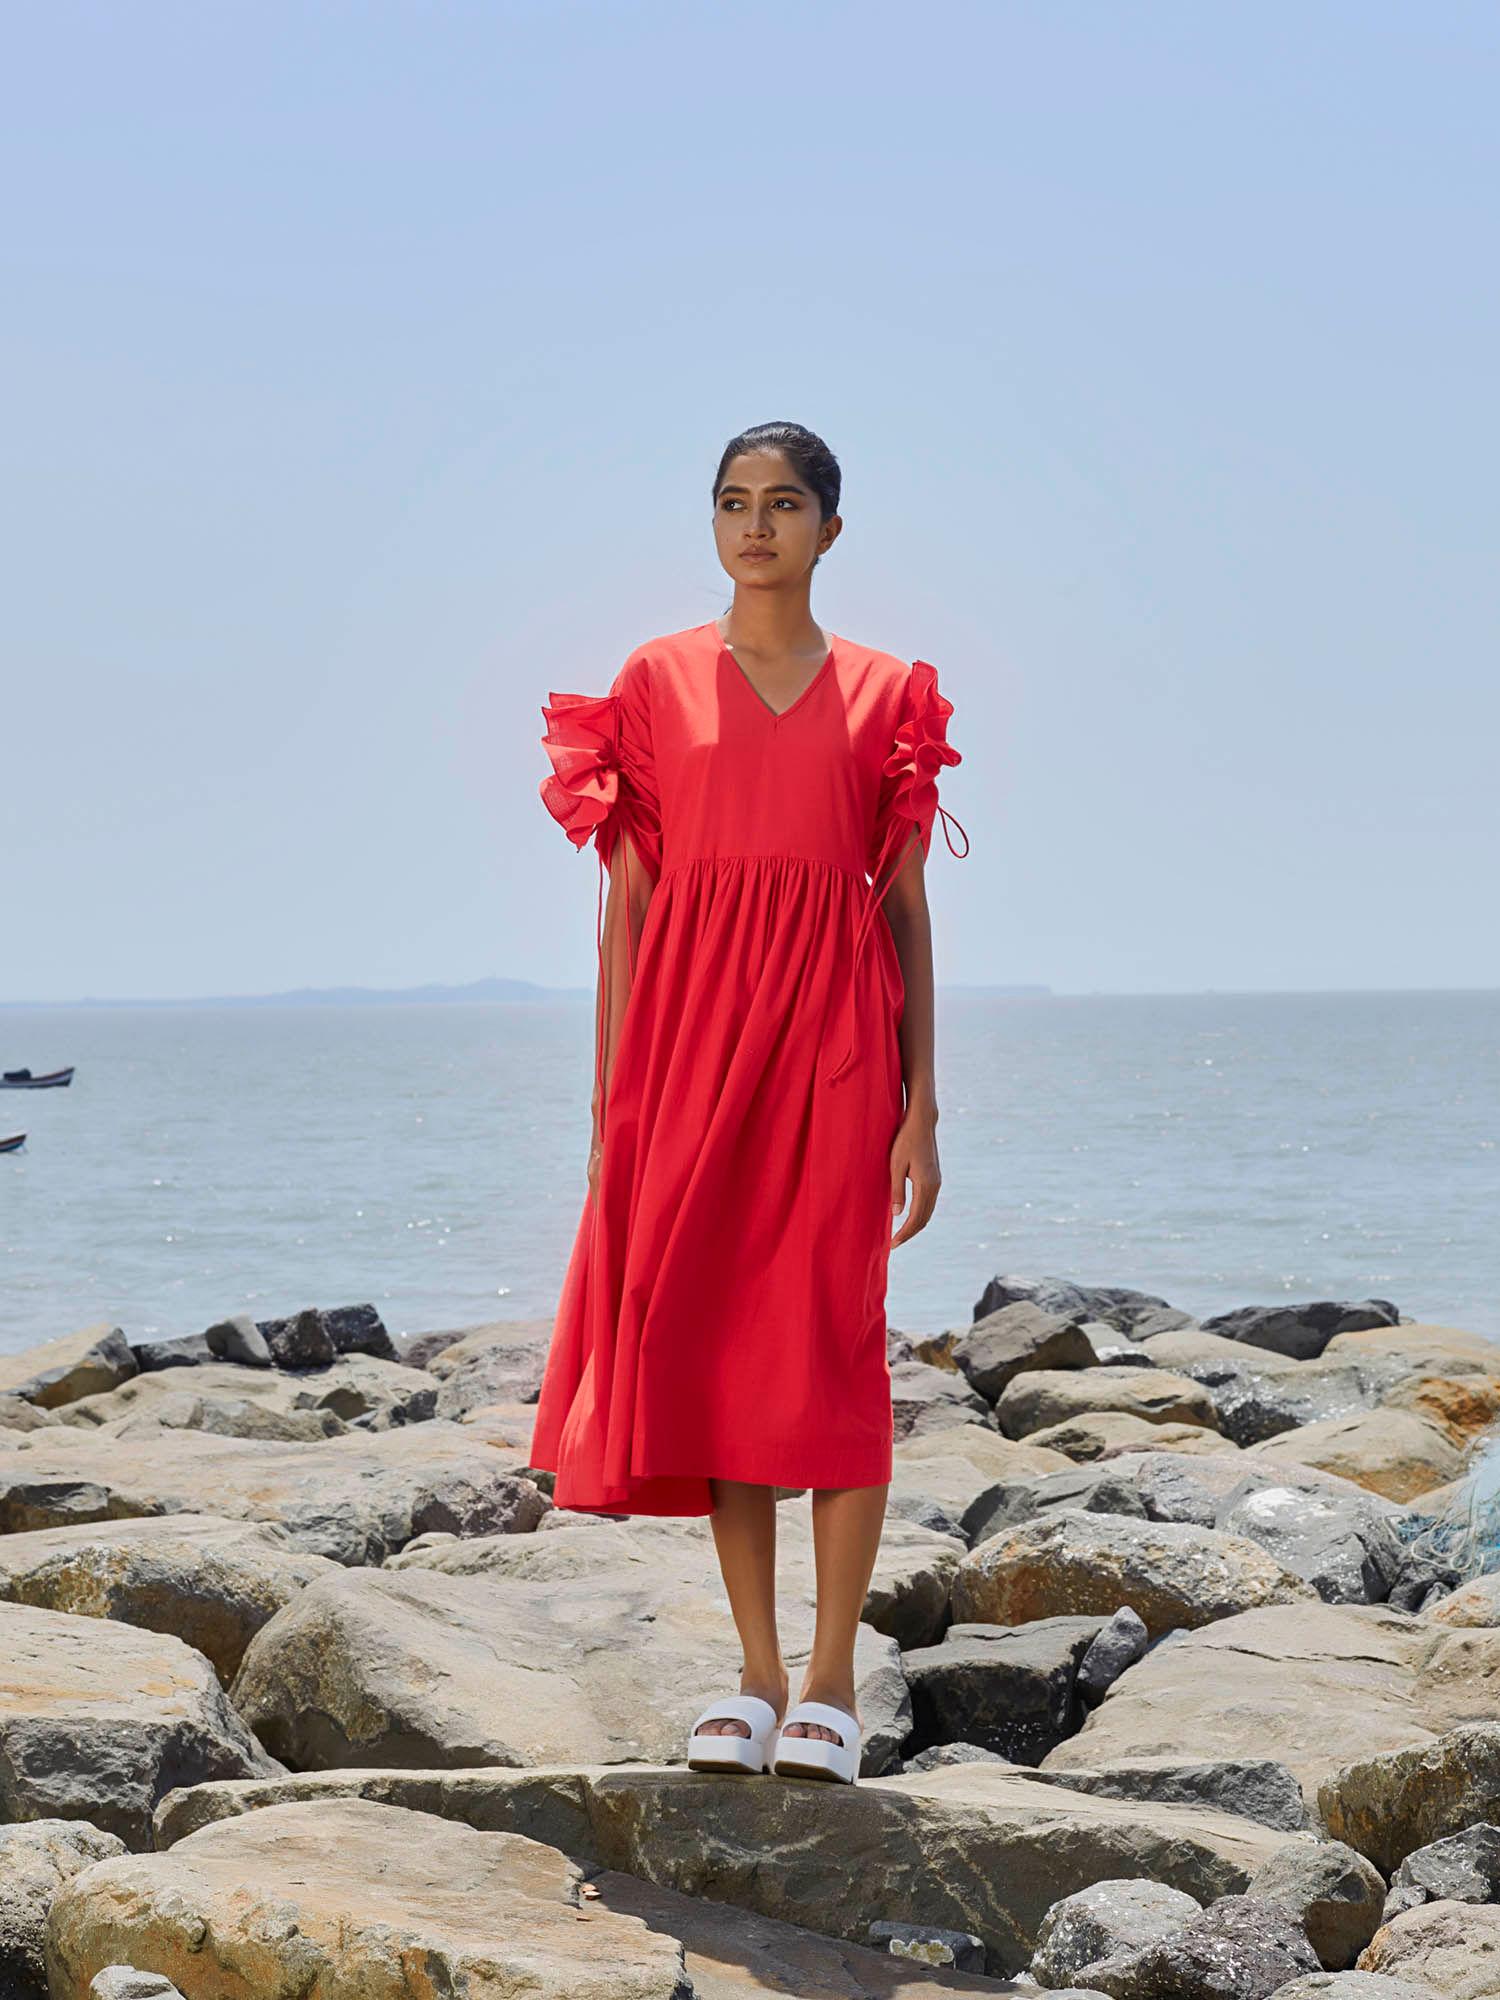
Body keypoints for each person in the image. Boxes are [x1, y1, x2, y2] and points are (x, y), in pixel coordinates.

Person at [532, 420, 969, 1786]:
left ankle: (833, 1681)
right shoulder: (653, 684)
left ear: (831, 529)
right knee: (720, 1344)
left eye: (785, 504)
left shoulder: (887, 692)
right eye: (734, 503)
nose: (757, 525)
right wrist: (618, 1105)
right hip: (690, 1047)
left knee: (831, 1343)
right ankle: (757, 1675)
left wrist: (923, 1106)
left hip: (836, 1048)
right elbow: (630, 912)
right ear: (713, 525)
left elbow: (903, 910)